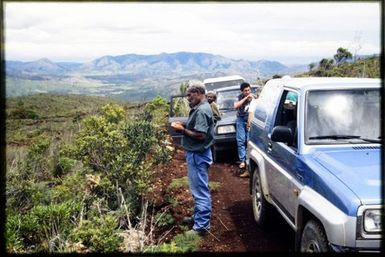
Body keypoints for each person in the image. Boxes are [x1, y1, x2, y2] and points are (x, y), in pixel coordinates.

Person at [170, 81, 214, 236]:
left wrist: (182, 130)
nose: (188, 98)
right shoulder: (201, 108)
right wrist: (185, 124)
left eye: (189, 95)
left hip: (198, 155)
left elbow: (200, 135)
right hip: (198, 154)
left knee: (200, 190)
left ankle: (202, 226)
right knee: (197, 188)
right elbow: (197, 127)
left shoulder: (201, 110)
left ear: (198, 92)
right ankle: (198, 217)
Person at [234, 82, 256, 173]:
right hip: (240, 118)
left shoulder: (254, 97)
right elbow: (236, 106)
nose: (247, 92)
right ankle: (242, 160)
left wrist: (252, 99)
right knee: (240, 140)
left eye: (248, 90)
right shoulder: (239, 97)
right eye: (245, 91)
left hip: (249, 119)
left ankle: (248, 161)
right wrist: (246, 98)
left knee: (248, 140)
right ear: (242, 91)